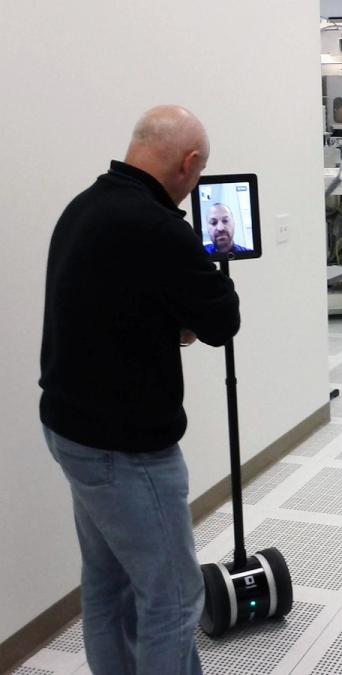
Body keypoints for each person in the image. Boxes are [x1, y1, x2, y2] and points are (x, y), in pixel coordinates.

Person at [39, 105, 240, 675]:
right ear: (190, 163)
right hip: (124, 451)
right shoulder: (159, 228)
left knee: (108, 586)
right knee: (174, 599)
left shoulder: (84, 207)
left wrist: (166, 319)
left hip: (69, 428)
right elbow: (223, 320)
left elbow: (110, 306)